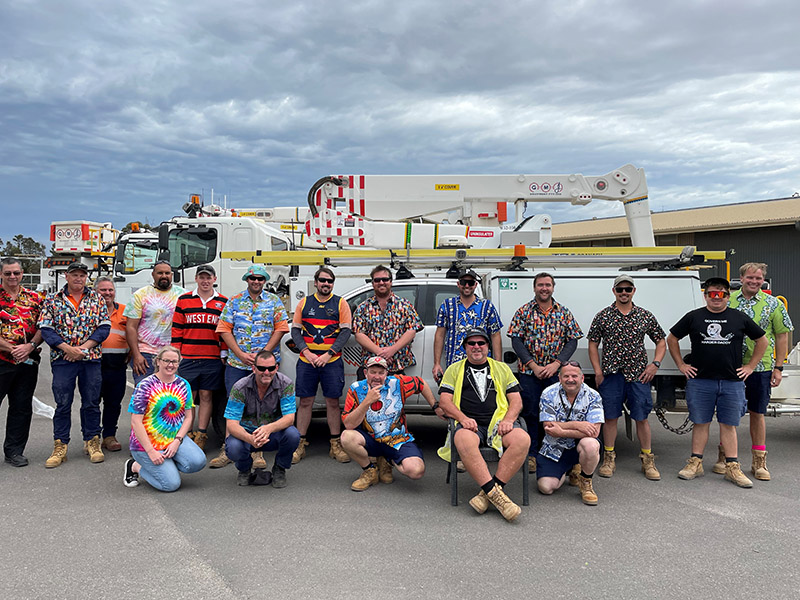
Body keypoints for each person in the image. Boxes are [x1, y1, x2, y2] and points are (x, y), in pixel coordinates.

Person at [667, 277, 768, 488]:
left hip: (732, 382)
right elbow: (672, 338)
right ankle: (695, 462)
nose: (716, 298)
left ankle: (732, 467)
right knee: (700, 423)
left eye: (721, 294)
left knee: (729, 425)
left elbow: (762, 340)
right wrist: (681, 365)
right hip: (700, 381)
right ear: (705, 295)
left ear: (727, 297)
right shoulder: (694, 317)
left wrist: (750, 367)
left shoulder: (738, 318)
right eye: (712, 294)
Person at [437, 328, 529, 522]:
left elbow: (517, 401)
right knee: (462, 437)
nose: (476, 347)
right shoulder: (454, 369)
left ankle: (487, 494)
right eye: (472, 343)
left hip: (498, 422)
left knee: (522, 439)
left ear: (488, 346)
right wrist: (462, 419)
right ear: (465, 348)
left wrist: (508, 420)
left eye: (481, 343)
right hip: (470, 423)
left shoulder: (501, 368)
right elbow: (445, 402)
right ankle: (496, 496)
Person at [587, 274, 667, 480]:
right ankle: (609, 457)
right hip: (611, 374)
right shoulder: (603, 316)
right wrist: (597, 371)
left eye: (628, 289)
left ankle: (648, 460)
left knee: (641, 417)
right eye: (620, 289)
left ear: (633, 291)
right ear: (614, 291)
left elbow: (661, 340)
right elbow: (593, 344)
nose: (624, 293)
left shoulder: (644, 316)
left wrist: (655, 364)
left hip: (639, 374)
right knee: (610, 417)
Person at [720, 262, 793, 480]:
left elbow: (782, 336)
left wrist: (778, 367)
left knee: (757, 413)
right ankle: (724, 457)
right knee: (727, 412)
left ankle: (758, 461)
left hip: (761, 368)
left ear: (763, 280)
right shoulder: (727, 301)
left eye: (758, 278)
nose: (754, 281)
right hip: (730, 366)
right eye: (750, 278)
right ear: (741, 279)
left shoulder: (774, 304)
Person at [212, 264, 289, 469]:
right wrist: (239, 354)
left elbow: (281, 328)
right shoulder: (234, 301)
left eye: (260, 279)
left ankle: (258, 451)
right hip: (238, 363)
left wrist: (262, 357)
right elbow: (224, 329)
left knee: (265, 405)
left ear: (265, 281)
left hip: (265, 366)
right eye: (253, 278)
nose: (256, 282)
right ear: (247, 279)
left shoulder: (274, 301)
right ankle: (228, 448)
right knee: (233, 406)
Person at [507, 272, 582, 473]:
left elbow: (573, 340)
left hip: (555, 374)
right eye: (540, 285)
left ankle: (556, 454)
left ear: (553, 287)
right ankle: (530, 454)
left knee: (558, 414)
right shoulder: (523, 312)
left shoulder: (564, 312)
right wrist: (533, 365)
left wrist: (556, 364)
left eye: (547, 285)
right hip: (529, 373)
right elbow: (516, 340)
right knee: (530, 412)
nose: (544, 288)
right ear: (534, 288)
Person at [38, 262, 110, 467]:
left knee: (91, 402)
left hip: (91, 359)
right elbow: (46, 328)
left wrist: (82, 349)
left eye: (82, 275)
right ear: (66, 277)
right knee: (63, 403)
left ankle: (92, 441)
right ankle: (60, 446)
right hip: (63, 360)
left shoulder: (96, 298)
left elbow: (104, 327)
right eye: (74, 275)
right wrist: (68, 349)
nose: (78, 278)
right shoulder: (52, 300)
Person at [341, 356, 443, 492]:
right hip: (371, 439)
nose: (376, 377)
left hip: (397, 439)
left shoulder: (397, 383)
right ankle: (369, 471)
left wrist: (435, 406)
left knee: (416, 471)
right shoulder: (356, 389)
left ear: (386, 374)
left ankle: (388, 460)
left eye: (381, 373)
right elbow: (349, 424)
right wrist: (366, 402)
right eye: (373, 372)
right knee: (347, 437)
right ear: (366, 373)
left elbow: (420, 383)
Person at [290, 267, 351, 464]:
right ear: (315, 282)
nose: (326, 284)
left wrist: (327, 354)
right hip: (307, 361)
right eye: (323, 280)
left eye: (330, 281)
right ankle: (299, 443)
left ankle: (335, 444)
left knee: (332, 403)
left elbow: (345, 332)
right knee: (305, 402)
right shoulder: (304, 303)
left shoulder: (341, 303)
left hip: (331, 361)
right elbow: (296, 332)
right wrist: (307, 352)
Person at [123, 345, 206, 491]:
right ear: (158, 362)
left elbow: (188, 417)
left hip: (173, 438)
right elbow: (136, 422)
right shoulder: (145, 386)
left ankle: (167, 465)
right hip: (148, 443)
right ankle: (135, 466)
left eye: (175, 361)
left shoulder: (183, 384)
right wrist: (150, 451)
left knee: (197, 462)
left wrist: (177, 440)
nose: (170, 365)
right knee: (170, 485)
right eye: (166, 360)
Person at [171, 265, 228, 451]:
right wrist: (175, 354)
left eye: (208, 277)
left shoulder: (223, 302)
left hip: (212, 357)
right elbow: (177, 329)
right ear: (196, 279)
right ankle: (187, 432)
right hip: (188, 356)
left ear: (215, 278)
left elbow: (226, 331)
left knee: (206, 395)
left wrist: (224, 352)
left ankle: (202, 433)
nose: (205, 281)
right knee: (188, 397)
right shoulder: (184, 300)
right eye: (202, 277)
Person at [223, 350, 300, 488]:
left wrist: (268, 428)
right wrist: (249, 438)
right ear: (253, 368)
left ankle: (280, 468)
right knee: (233, 447)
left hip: (271, 434)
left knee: (293, 435)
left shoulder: (286, 384)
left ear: (276, 367)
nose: (266, 372)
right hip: (246, 434)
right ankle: (244, 469)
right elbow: (231, 424)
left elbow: (289, 418)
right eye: (261, 368)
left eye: (271, 368)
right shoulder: (240, 387)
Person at [536, 361, 604, 505]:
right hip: (555, 448)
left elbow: (594, 432)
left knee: (591, 445)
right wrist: (578, 425)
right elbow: (548, 426)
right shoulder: (548, 393)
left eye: (574, 376)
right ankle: (570, 469)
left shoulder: (594, 396)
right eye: (566, 376)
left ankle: (585, 481)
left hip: (579, 445)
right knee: (545, 487)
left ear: (582, 378)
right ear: (559, 379)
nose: (570, 379)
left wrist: (561, 430)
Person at [0, 257, 43, 467]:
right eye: (8, 273)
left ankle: (14, 451)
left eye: (16, 273)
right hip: (1, 361)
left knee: (21, 408)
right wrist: (12, 349)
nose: (12, 277)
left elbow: (44, 326)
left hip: (28, 362)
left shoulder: (35, 298)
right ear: (1, 274)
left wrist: (30, 347)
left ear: (22, 273)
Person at [352, 265, 423, 377]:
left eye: (385, 279)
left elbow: (411, 330)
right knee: (367, 395)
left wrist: (392, 350)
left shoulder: (404, 305)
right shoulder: (363, 307)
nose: (381, 282)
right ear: (372, 283)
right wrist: (381, 353)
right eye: (377, 280)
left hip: (396, 366)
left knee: (395, 394)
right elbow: (359, 334)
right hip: (370, 368)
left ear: (391, 282)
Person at [432, 268, 503, 382]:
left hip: (482, 364)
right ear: (458, 284)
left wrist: (498, 365)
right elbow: (440, 335)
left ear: (475, 285)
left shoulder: (487, 306)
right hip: (454, 365)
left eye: (470, 283)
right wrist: (436, 363)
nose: (467, 286)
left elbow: (495, 335)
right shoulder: (447, 305)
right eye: (464, 282)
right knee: (454, 397)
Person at [125, 261, 185, 386]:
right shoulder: (140, 295)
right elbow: (131, 327)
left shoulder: (183, 295)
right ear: (153, 275)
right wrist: (136, 355)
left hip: (173, 353)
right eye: (160, 273)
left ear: (172, 275)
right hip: (146, 354)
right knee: (145, 396)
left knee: (169, 397)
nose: (164, 276)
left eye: (167, 273)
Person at [94, 276, 129, 452]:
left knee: (113, 403)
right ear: (95, 292)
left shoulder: (124, 311)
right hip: (93, 365)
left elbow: (133, 333)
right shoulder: (89, 311)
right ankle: (91, 438)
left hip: (117, 365)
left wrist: (132, 353)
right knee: (91, 403)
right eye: (103, 290)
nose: (107, 293)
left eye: (110, 290)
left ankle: (109, 436)